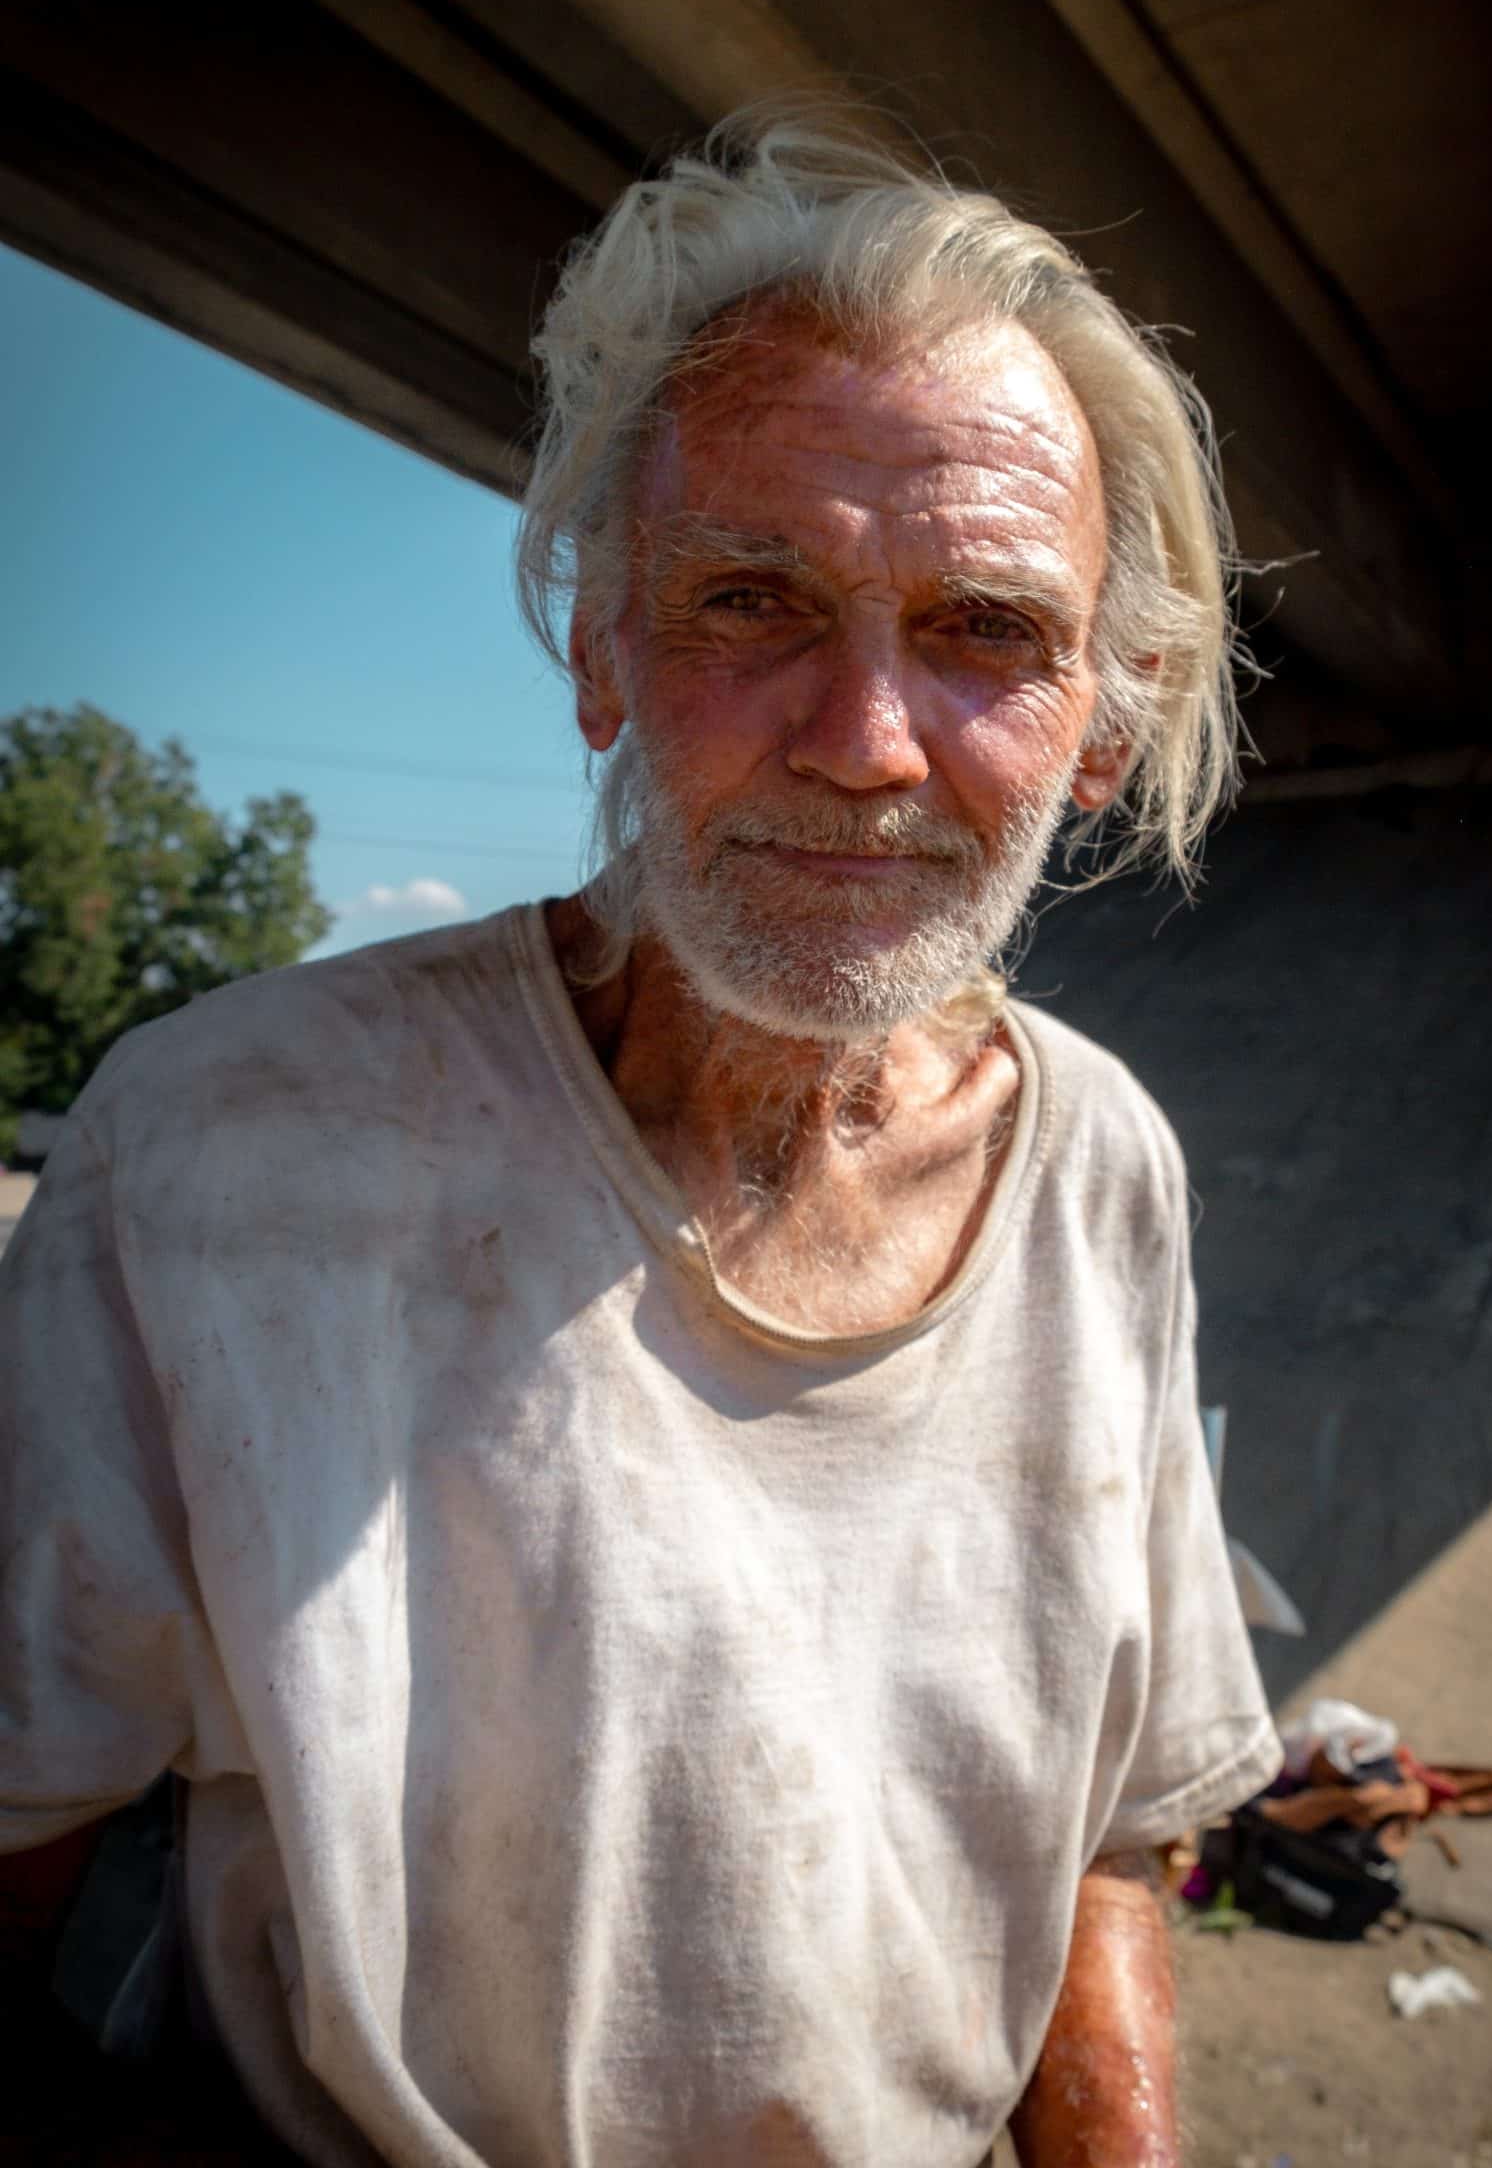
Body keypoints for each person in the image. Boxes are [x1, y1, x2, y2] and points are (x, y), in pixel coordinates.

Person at [0, 113, 1282, 2167]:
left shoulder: (1102, 1170)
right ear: (601, 646)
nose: (865, 741)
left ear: (1101, 721)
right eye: (751, 597)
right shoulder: (226, 1148)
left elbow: (1111, 1836)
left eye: (983, 630)